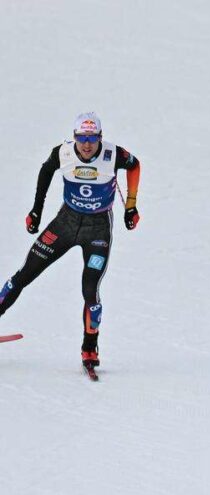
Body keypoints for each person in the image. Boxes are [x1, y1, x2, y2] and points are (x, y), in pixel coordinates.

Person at [0, 112, 141, 372]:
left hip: (97, 230)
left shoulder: (113, 155)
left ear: (100, 137)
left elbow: (134, 166)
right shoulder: (63, 153)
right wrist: (35, 212)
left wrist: (130, 207)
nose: (87, 145)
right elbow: (45, 172)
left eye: (92, 138)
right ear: (75, 137)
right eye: (82, 138)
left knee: (90, 291)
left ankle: (89, 347)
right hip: (65, 223)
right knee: (24, 274)